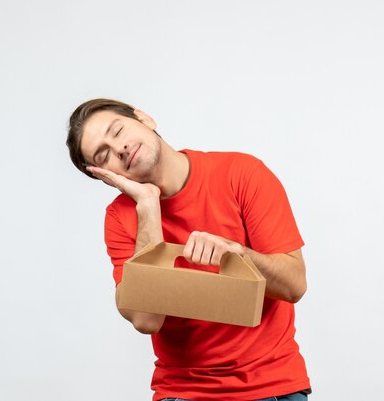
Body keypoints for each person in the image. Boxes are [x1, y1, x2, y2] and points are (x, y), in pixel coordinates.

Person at [66, 98, 311, 401]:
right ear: (105, 177)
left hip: (273, 386)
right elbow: (146, 320)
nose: (120, 149)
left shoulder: (242, 172)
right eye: (104, 156)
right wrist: (147, 205)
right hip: (183, 393)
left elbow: (294, 286)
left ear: (144, 119)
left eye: (118, 131)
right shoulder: (120, 217)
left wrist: (238, 255)